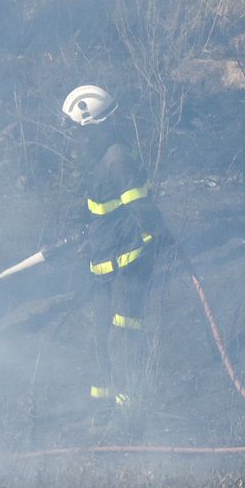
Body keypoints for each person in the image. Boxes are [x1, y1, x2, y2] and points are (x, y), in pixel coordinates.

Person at [62, 84, 165, 432]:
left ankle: (127, 413)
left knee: (122, 336)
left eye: (79, 131)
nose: (75, 139)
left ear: (96, 127)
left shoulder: (117, 158)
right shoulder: (98, 159)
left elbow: (141, 208)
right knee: (100, 332)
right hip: (105, 261)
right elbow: (99, 208)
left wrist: (155, 242)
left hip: (128, 263)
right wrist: (81, 232)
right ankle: (102, 406)